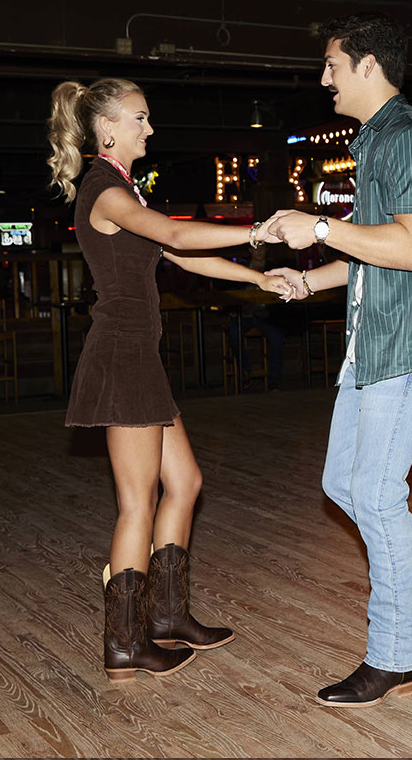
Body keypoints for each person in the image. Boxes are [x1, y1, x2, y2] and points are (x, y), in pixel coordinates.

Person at [257, 13, 412, 708]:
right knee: (343, 484)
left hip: (409, 343)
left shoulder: (410, 139)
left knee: (377, 494)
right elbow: (377, 255)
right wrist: (310, 279)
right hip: (378, 336)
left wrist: (318, 227)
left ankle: (394, 655)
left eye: (331, 65)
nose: (322, 78)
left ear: (366, 65)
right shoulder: (377, 139)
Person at [46, 77, 298, 680]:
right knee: (138, 502)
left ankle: (165, 616)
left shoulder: (122, 188)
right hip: (121, 357)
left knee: (185, 482)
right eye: (140, 119)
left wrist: (258, 278)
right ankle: (125, 642)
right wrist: (259, 230)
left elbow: (181, 256)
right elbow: (178, 234)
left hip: (139, 358)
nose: (149, 129)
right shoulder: (103, 191)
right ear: (107, 129)